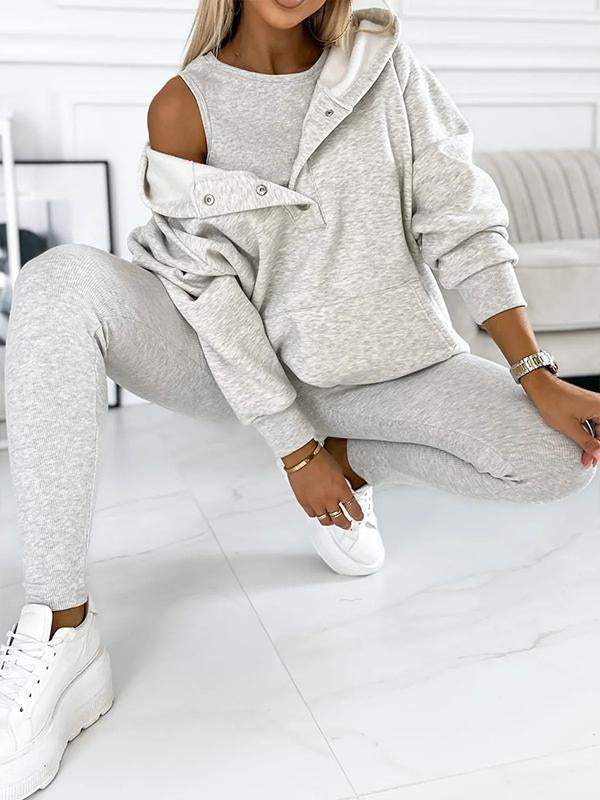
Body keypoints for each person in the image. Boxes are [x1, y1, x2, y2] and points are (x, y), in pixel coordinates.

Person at [1, 1, 598, 796]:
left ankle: (346, 459)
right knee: (58, 282)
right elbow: (206, 288)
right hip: (232, 365)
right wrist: (290, 445)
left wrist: (534, 372)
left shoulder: (384, 67)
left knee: (558, 460)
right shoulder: (184, 105)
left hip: (390, 367)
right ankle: (59, 627)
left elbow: (460, 218)